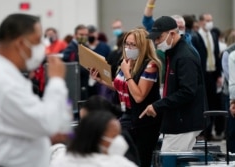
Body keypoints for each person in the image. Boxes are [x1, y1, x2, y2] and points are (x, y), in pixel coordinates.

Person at [0, 13, 72, 167]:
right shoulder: (4, 83)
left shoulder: (6, 75)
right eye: (37, 41)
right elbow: (48, 122)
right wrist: (56, 80)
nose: (43, 47)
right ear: (20, 43)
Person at [91, 28, 162, 167]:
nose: (128, 48)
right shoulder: (127, 62)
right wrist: (101, 80)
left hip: (144, 121)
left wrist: (127, 73)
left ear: (142, 46)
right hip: (127, 115)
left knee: (140, 160)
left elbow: (139, 96)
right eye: (126, 44)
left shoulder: (150, 65)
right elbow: (122, 86)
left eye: (133, 45)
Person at [140, 16, 206, 152]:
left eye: (159, 38)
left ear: (172, 34)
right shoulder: (173, 53)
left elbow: (187, 91)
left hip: (184, 122)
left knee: (169, 159)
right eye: (155, 39)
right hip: (178, 120)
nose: (157, 42)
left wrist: (158, 106)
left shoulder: (184, 56)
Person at [50, 112, 137, 167]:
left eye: (119, 135)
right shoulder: (119, 164)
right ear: (96, 137)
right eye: (114, 136)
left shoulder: (61, 159)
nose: (119, 140)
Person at [191, 13, 222, 140]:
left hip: (213, 73)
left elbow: (216, 55)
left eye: (211, 20)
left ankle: (210, 133)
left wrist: (219, 75)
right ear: (201, 22)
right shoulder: (196, 37)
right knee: (204, 104)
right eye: (208, 20)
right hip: (203, 74)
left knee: (214, 104)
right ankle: (203, 133)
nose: (210, 23)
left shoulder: (213, 35)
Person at [62, 24, 89, 100]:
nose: (84, 37)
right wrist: (87, 69)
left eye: (86, 35)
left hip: (84, 83)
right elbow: (71, 67)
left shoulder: (84, 46)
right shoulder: (71, 49)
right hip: (75, 85)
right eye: (81, 34)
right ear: (75, 35)